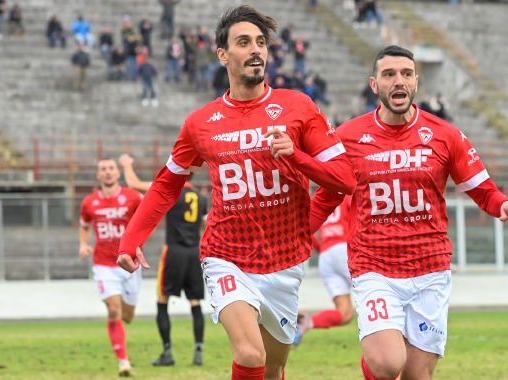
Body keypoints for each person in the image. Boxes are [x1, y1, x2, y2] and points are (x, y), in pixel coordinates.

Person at [116, 5, 356, 380]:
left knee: (273, 367)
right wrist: (130, 240)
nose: (256, 50)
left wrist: (298, 160)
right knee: (248, 353)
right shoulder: (200, 123)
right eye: (244, 42)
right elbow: (166, 183)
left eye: (261, 42)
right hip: (226, 254)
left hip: (285, 260)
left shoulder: (298, 107)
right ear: (223, 54)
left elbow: (345, 180)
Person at [309, 45, 508, 380]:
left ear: (416, 81)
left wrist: (503, 204)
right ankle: (375, 358)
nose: (398, 81)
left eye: (405, 74)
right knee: (386, 363)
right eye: (388, 75)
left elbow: (480, 187)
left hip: (430, 270)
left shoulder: (444, 135)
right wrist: (297, 233)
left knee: (417, 376)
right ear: (374, 84)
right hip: (375, 267)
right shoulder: (348, 137)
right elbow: (327, 196)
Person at [118, 153, 208, 367]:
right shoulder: (201, 198)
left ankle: (167, 351)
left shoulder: (170, 190)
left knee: (162, 300)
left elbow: (133, 183)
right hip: (194, 252)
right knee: (195, 302)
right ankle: (198, 351)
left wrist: (127, 165)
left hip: (174, 252)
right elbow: (206, 228)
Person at [78, 158, 144, 377]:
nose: (107, 172)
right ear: (98, 175)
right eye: (103, 169)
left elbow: (147, 219)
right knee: (113, 310)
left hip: (129, 263)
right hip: (104, 264)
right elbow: (84, 226)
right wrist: (83, 244)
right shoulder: (89, 202)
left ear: (117, 173)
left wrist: (139, 244)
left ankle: (123, 352)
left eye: (111, 169)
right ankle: (123, 362)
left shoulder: (133, 197)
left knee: (128, 316)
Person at [294, 195, 354, 346]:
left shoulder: (323, 194)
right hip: (346, 249)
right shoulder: (349, 193)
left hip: (326, 257)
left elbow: (307, 227)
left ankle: (308, 321)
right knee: (374, 295)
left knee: (345, 313)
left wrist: (324, 250)